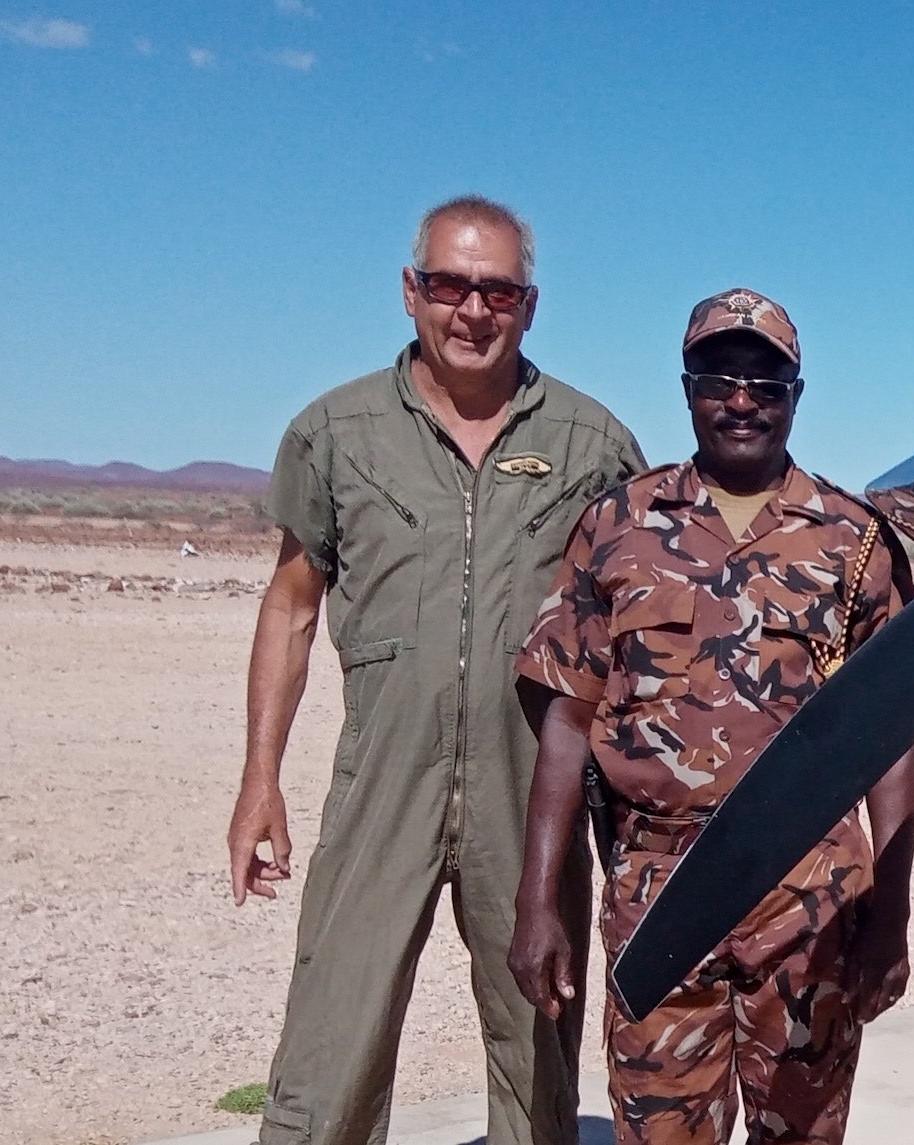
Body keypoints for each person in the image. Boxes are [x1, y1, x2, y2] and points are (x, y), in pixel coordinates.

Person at [228, 195, 646, 1145]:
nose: (473, 310)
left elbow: (629, 636)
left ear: (529, 305)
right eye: (451, 285)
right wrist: (260, 779)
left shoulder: (591, 446)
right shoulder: (337, 433)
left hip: (530, 794)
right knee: (333, 1038)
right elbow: (290, 609)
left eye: (498, 290)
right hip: (383, 781)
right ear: (411, 291)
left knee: (537, 1045)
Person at [508, 287, 914, 1145]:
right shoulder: (617, 525)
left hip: (810, 902)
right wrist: (537, 900)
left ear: (795, 395)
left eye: (764, 384)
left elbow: (889, 740)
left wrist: (892, 915)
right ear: (688, 389)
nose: (740, 401)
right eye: (718, 380)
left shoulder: (854, 541)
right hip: (659, 895)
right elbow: (568, 717)